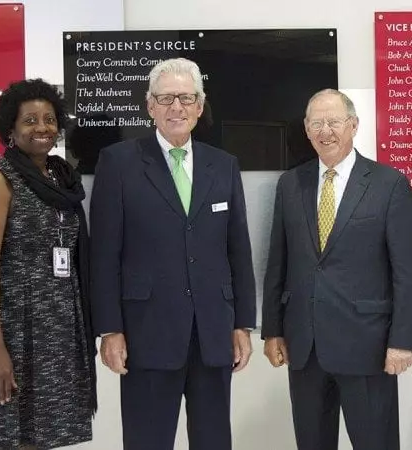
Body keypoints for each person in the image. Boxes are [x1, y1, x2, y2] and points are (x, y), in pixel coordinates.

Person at [90, 57, 256, 450]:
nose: (176, 107)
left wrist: (243, 323)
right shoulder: (118, 163)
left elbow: (238, 249)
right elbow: (104, 254)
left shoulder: (224, 165)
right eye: (165, 98)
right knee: (148, 441)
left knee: (214, 440)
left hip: (213, 332)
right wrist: (110, 329)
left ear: (200, 106)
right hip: (147, 332)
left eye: (185, 98)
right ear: (150, 106)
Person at [261, 89, 412, 450]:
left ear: (353, 125)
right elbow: (278, 262)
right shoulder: (291, 184)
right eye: (316, 122)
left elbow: (408, 273)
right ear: (306, 129)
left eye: (334, 121)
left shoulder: (389, 184)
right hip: (305, 347)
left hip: (368, 346)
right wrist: (272, 329)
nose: (325, 130)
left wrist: (402, 341)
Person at [0, 79, 96, 449]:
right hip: (9, 325)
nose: (42, 127)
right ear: (10, 129)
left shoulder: (62, 179)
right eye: (29, 120)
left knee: (40, 433)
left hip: (56, 326)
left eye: (49, 119)